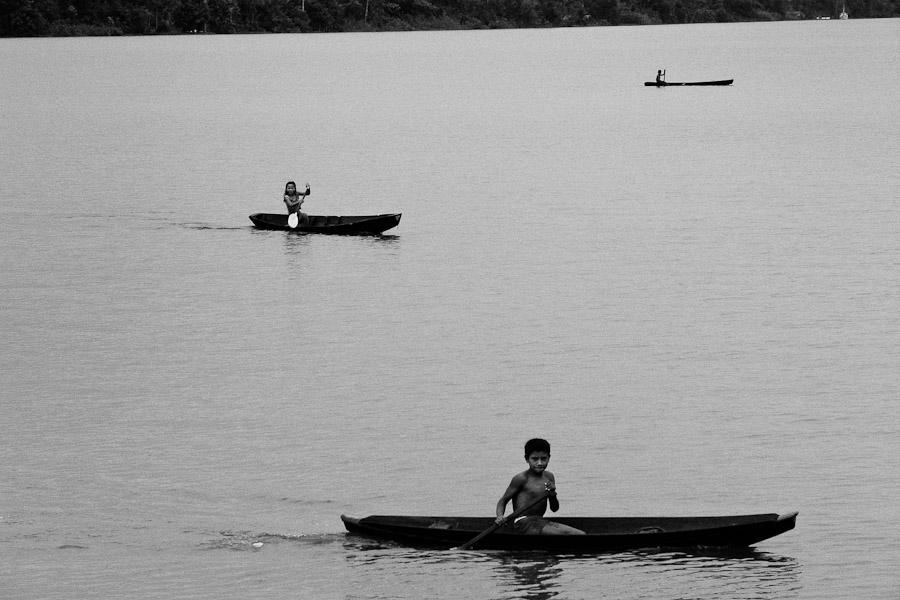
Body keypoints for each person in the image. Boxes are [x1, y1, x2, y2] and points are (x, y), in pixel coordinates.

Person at [494, 438, 585, 535]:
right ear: (527, 459)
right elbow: (503, 501)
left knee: (580, 534)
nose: (540, 463)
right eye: (535, 459)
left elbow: (554, 509)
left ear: (549, 458)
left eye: (543, 459)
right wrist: (500, 516)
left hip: (541, 521)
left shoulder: (549, 477)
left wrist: (553, 494)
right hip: (523, 522)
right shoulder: (521, 479)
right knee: (562, 535)